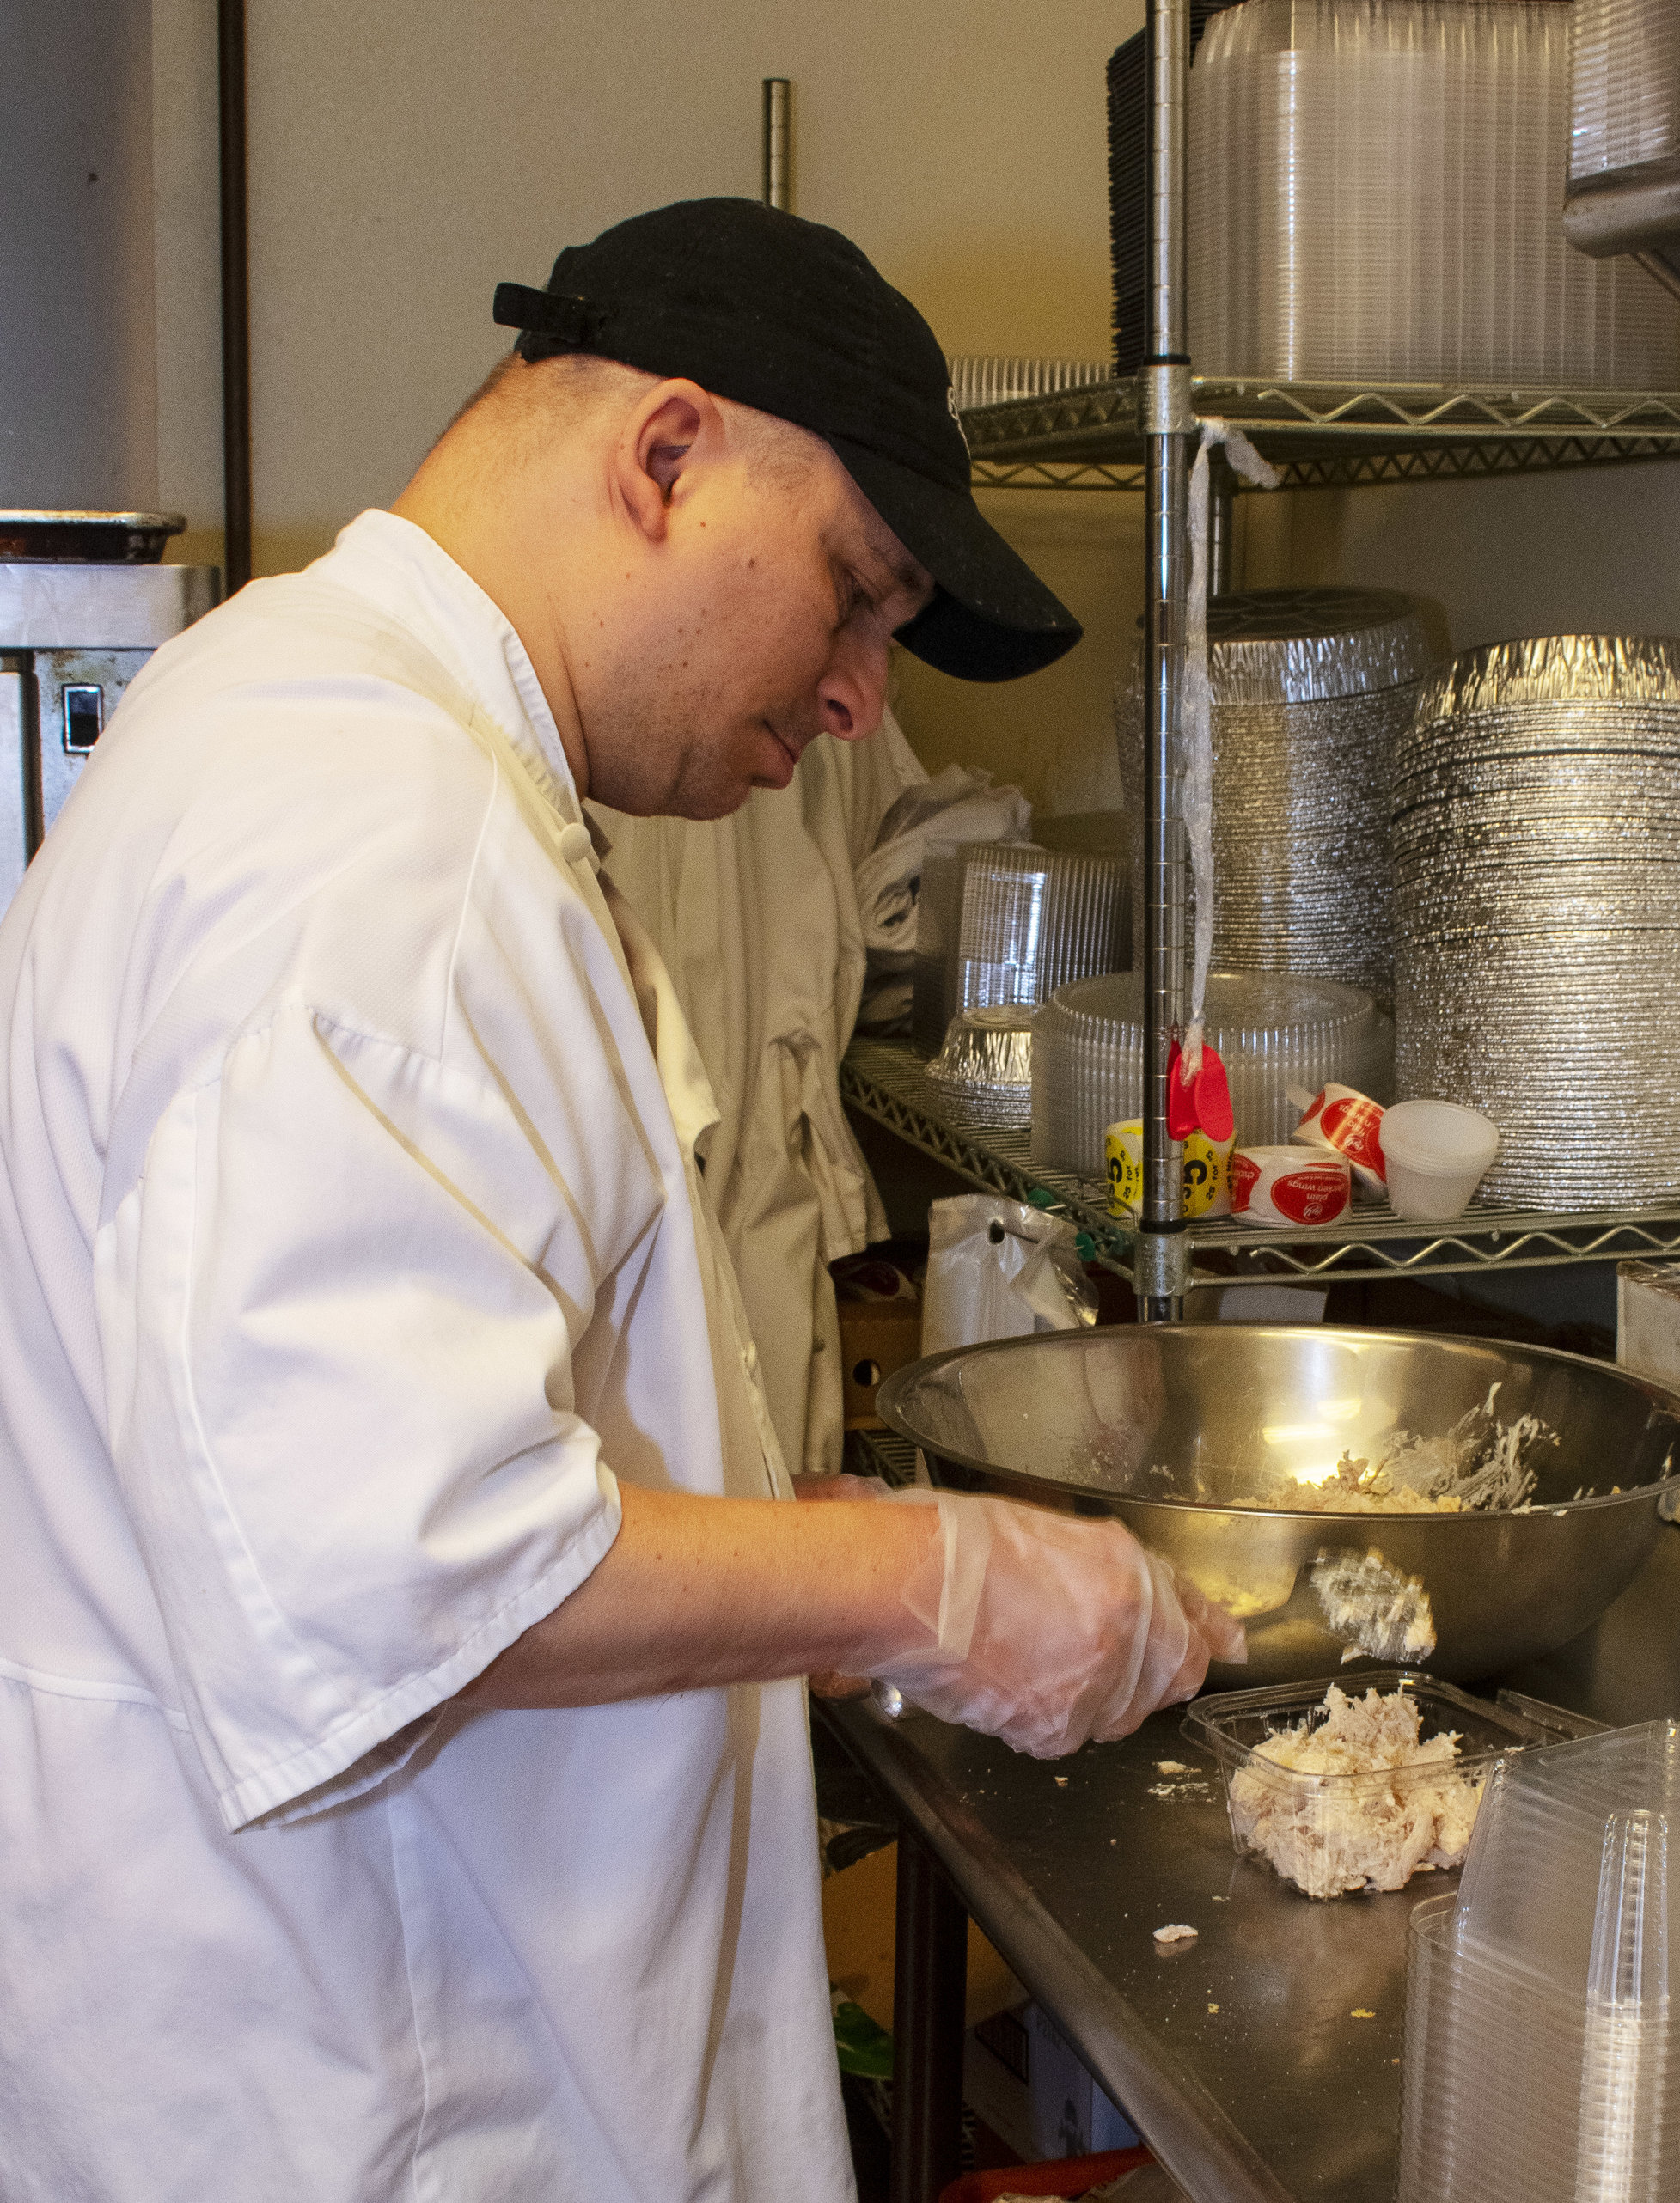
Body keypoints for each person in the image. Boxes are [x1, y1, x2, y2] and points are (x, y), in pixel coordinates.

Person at [0, 198, 1243, 2202]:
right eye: (853, 593)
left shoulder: (322, 725)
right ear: (665, 456)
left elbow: (424, 1419)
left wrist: (787, 1551)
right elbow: (391, 1557)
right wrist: (922, 1584)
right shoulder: (370, 839)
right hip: (384, 2085)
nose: (859, 695)